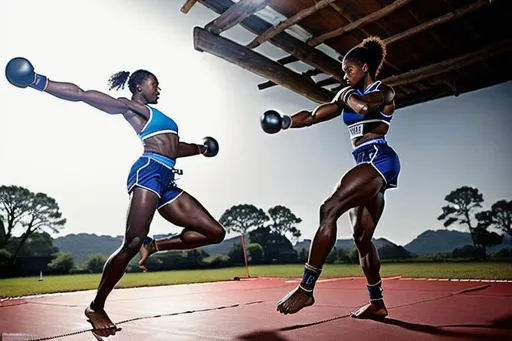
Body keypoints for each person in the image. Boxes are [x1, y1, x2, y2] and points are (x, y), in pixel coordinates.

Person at [5, 57, 226, 337]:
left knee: (214, 232)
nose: (159, 89)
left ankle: (154, 246)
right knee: (131, 242)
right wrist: (39, 82)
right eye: (154, 84)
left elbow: (173, 148)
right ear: (139, 86)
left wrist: (200, 149)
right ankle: (96, 307)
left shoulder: (159, 119)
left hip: (166, 179)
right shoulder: (133, 107)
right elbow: (84, 96)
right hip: (148, 172)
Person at [260, 36, 400, 319]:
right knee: (362, 239)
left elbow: (362, 107)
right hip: (365, 162)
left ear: (363, 66)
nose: (344, 75)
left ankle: (306, 288)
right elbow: (313, 115)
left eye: (348, 69)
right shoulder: (345, 94)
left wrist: (346, 94)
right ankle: (377, 302)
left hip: (379, 158)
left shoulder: (383, 91)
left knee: (329, 208)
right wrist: (286, 122)